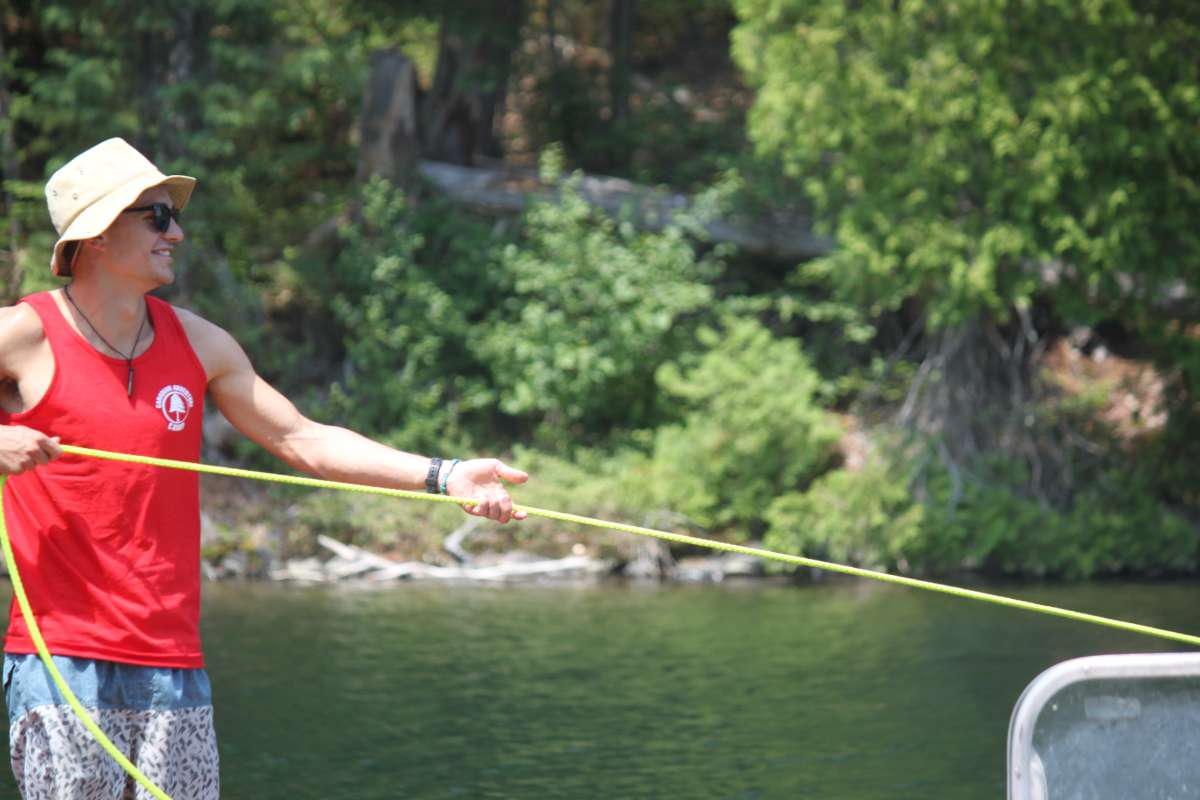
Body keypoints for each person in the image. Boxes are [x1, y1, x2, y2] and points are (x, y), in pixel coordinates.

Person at [0, 138, 528, 799]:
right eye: (158, 217)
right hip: (62, 662)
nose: (179, 233)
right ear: (100, 234)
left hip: (173, 666)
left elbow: (304, 440)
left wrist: (446, 476)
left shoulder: (199, 342)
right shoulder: (25, 335)